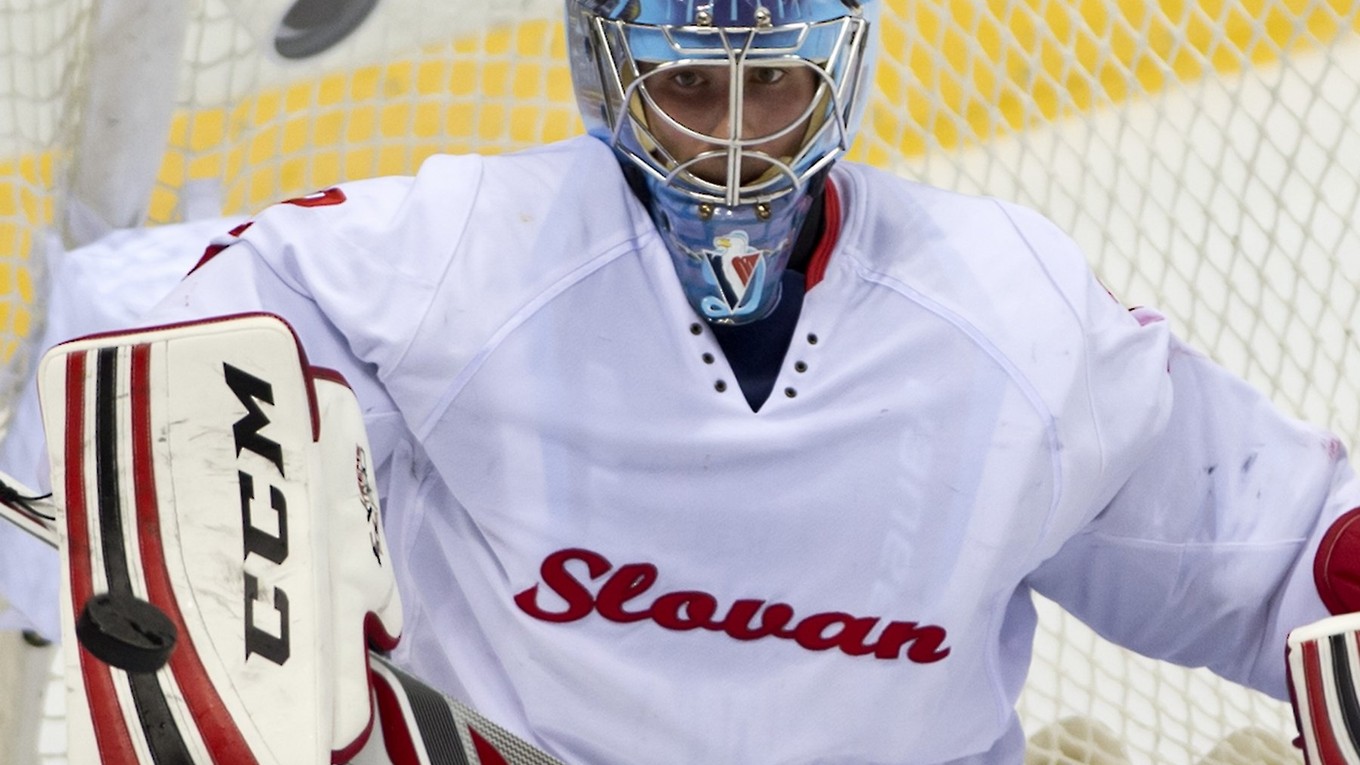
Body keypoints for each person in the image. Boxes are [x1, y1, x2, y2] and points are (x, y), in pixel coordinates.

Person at [34, 0, 1360, 762]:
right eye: (688, 87)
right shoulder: (462, 261)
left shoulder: (1012, 319)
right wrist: (211, 571)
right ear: (608, 68)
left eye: (771, 83)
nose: (732, 142)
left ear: (839, 70)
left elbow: (1292, 552)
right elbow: (138, 309)